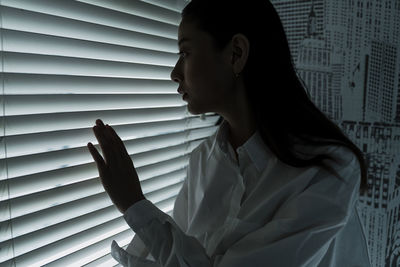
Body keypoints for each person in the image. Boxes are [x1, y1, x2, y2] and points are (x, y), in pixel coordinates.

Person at [87, 0, 372, 266]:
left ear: (236, 53)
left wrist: (134, 204)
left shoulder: (326, 171)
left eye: (185, 53)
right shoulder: (202, 161)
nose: (175, 72)